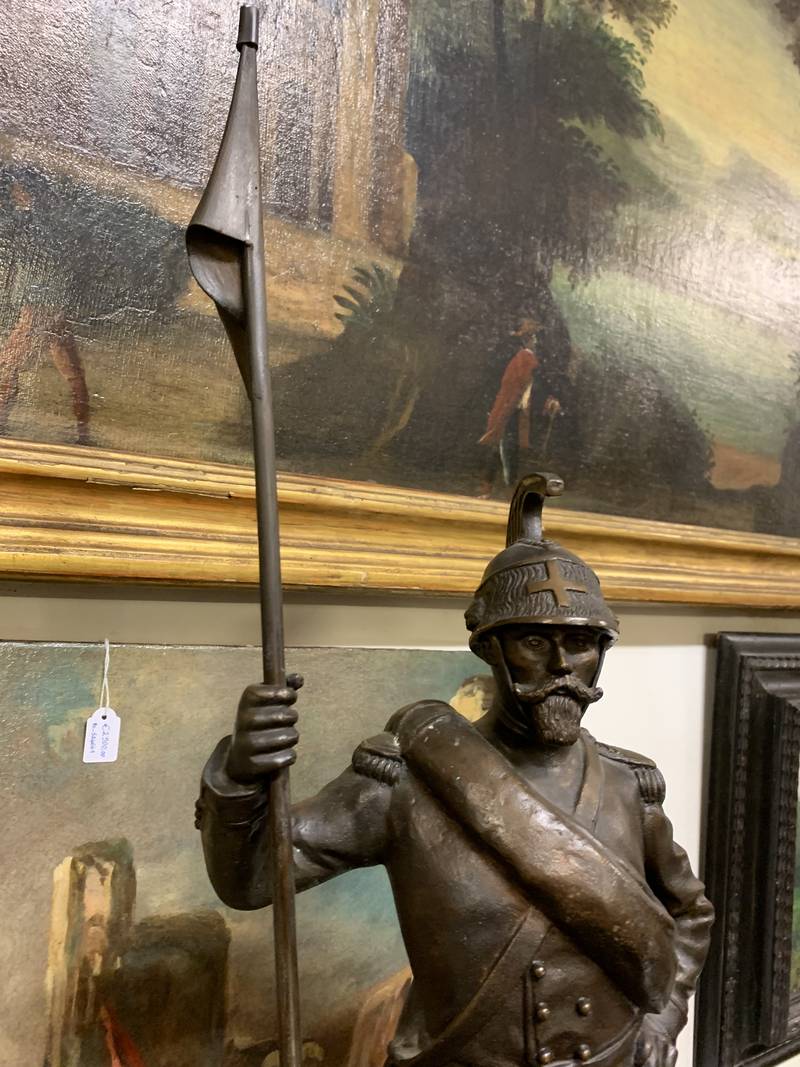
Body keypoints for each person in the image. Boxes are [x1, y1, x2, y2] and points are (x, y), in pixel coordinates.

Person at [196, 472, 713, 1067]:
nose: (562, 666)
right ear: (488, 647)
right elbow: (252, 879)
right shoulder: (403, 783)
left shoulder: (629, 785)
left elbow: (689, 914)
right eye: (534, 643)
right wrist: (240, 779)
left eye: (581, 644)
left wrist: (664, 1019)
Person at [478, 318, 561, 496]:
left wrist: (549, 400)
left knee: (504, 446)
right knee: (504, 446)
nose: (534, 339)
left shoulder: (533, 358)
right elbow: (505, 380)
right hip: (508, 406)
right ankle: (503, 486)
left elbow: (538, 384)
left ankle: (493, 485)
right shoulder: (520, 354)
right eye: (530, 331)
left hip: (519, 410)